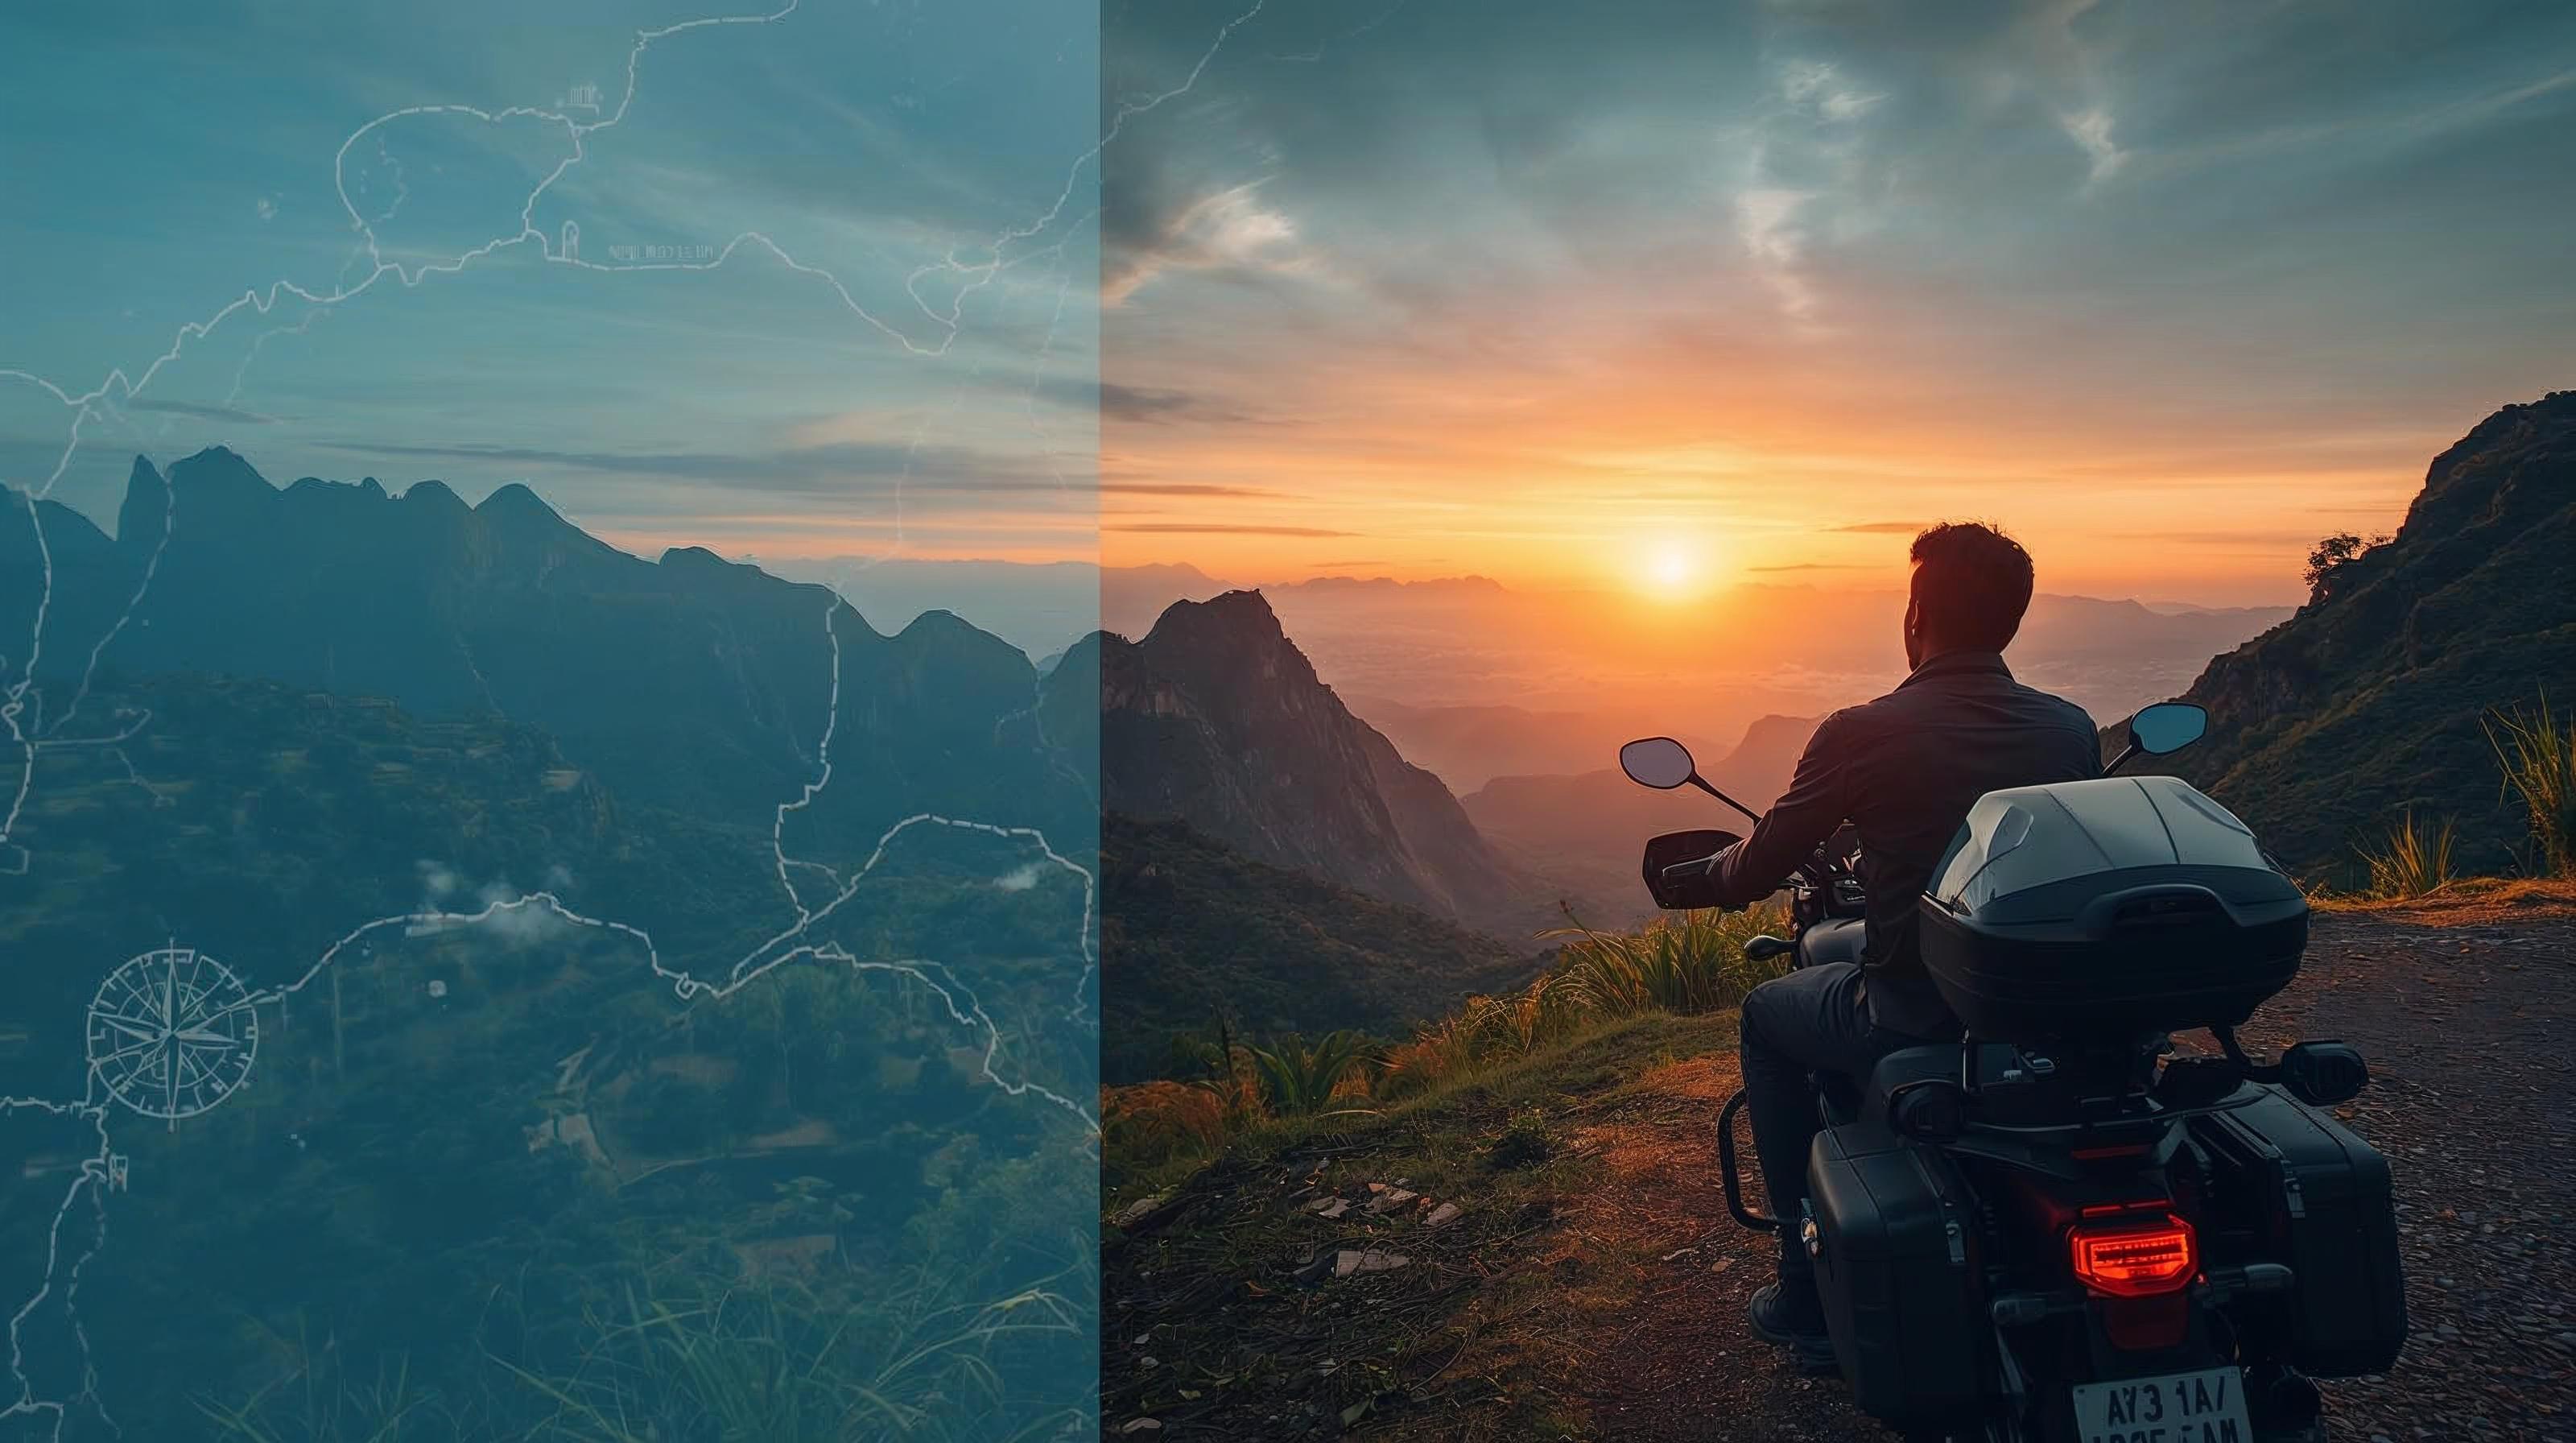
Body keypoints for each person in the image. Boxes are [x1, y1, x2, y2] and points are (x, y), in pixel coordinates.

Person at [1708, 521, 2103, 1371]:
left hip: (1910, 1013)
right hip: (2042, 1013)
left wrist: (1704, 874)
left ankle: (1802, 1280)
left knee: (1765, 1016)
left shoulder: (1860, 733)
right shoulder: (2069, 729)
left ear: (1915, 615)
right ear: (2012, 620)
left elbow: (1759, 862)